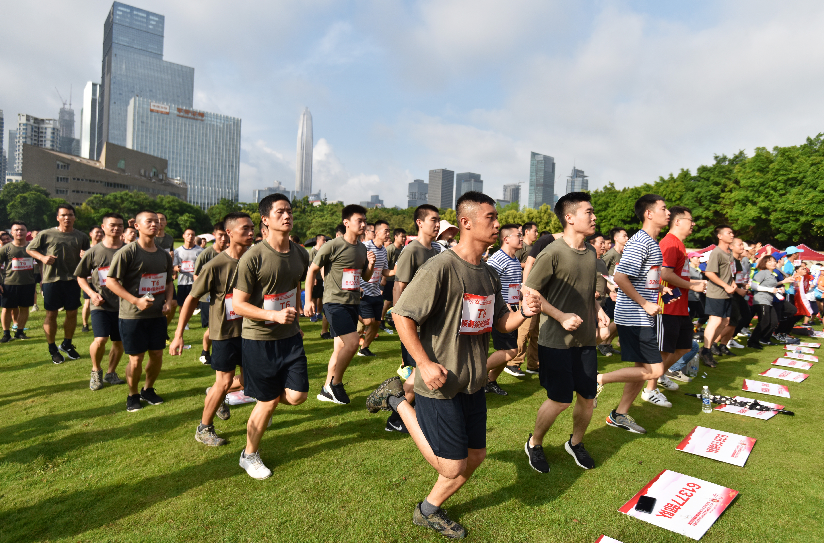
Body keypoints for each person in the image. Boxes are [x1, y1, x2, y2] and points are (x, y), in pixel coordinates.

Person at [365, 191, 540, 539]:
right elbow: (401, 316)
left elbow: (499, 322)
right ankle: (397, 400)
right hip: (439, 383)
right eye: (490, 217)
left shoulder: (489, 273)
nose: (498, 224)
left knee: (475, 456)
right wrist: (424, 364)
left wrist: (523, 312)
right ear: (466, 223)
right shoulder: (440, 267)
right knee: (451, 466)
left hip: (472, 382)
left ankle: (428, 510)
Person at [521, 192, 609, 473]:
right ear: (569, 217)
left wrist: (598, 309)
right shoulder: (553, 252)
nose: (594, 217)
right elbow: (529, 290)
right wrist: (559, 316)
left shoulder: (591, 252)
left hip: (586, 340)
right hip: (556, 341)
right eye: (588, 212)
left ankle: (576, 443)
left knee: (588, 397)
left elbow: (587, 291)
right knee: (559, 400)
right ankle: (534, 443)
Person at [232, 194, 310, 478]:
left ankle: (257, 393)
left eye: (289, 211)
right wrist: (273, 316)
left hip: (290, 337)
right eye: (280, 212)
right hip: (259, 339)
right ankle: (249, 454)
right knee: (268, 401)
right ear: (265, 220)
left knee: (298, 395)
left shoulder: (301, 253)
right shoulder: (253, 257)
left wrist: (296, 315)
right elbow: (238, 305)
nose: (287, 216)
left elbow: (294, 284)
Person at [170, 212, 255, 446]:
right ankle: (204, 428)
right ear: (229, 232)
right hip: (225, 332)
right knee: (224, 381)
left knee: (250, 380)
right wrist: (178, 334)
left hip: (250, 330)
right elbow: (191, 299)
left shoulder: (254, 260)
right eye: (245, 228)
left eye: (252, 228)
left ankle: (216, 393)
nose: (251, 232)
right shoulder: (216, 265)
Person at [596, 195, 670, 435]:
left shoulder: (651, 242)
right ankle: (597, 380)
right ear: (649, 213)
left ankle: (619, 414)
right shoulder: (640, 241)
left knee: (642, 367)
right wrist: (645, 303)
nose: (668, 213)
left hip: (641, 315)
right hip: (634, 316)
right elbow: (620, 277)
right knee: (655, 370)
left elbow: (642, 277)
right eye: (663, 208)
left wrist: (658, 289)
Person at [304, 205, 375, 404]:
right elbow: (312, 270)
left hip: (353, 303)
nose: (364, 224)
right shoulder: (333, 245)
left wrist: (370, 265)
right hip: (335, 303)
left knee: (340, 348)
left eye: (365, 221)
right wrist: (308, 300)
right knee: (352, 342)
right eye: (359, 221)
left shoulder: (362, 248)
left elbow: (365, 277)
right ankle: (336, 384)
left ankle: (326, 389)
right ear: (346, 223)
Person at [106, 210, 174, 412]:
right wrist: (136, 301)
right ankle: (133, 394)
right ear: (136, 226)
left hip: (157, 316)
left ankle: (148, 389)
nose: (154, 224)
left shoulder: (163, 254)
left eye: (157, 221)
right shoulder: (127, 252)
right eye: (149, 221)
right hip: (132, 316)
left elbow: (168, 282)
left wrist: (168, 301)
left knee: (157, 355)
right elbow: (111, 281)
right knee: (136, 360)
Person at [383, 204, 441, 433]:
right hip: (412, 322)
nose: (437, 225)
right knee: (417, 372)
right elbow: (399, 286)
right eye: (433, 220)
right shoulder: (411, 251)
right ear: (420, 222)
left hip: (429, 322)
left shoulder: (435, 251)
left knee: (423, 370)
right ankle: (396, 416)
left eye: (438, 220)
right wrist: (401, 321)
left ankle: (411, 412)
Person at [640, 206, 706, 408]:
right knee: (664, 351)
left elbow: (675, 274)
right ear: (677, 221)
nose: (693, 224)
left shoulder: (679, 244)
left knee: (684, 347)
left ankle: (660, 375)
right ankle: (649, 390)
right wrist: (693, 285)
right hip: (666, 307)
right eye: (690, 220)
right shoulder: (669, 243)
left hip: (680, 307)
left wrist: (692, 284)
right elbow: (665, 274)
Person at [27, 204, 90, 364]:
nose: (67, 218)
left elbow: (88, 256)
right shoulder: (46, 234)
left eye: (70, 215)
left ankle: (67, 343)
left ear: (74, 217)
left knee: (72, 313)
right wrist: (42, 258)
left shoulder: (81, 236)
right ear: (57, 218)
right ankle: (52, 348)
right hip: (52, 280)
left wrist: (85, 255)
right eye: (63, 215)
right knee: (51, 314)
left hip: (73, 280)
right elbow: (30, 249)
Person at [75, 214, 127, 390]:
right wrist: (91, 294)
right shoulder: (94, 251)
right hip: (101, 304)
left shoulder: (129, 250)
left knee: (119, 342)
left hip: (124, 305)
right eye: (112, 225)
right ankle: (95, 371)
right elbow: (81, 276)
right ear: (103, 227)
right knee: (101, 339)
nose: (116, 228)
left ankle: (111, 373)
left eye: (120, 225)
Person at [484, 223, 526, 394]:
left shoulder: (514, 259)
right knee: (511, 350)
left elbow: (512, 287)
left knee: (508, 350)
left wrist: (522, 296)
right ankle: (477, 374)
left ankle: (489, 381)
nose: (522, 238)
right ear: (506, 239)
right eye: (519, 235)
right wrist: (505, 305)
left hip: (512, 310)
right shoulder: (497, 259)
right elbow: (488, 284)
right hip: (500, 311)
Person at [699, 225, 742, 367]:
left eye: (732, 232)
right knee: (716, 321)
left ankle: (708, 347)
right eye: (729, 233)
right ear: (720, 236)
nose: (732, 235)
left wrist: (733, 283)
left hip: (727, 294)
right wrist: (725, 285)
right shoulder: (716, 252)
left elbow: (730, 272)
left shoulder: (729, 253)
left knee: (725, 322)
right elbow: (709, 273)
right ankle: (706, 351)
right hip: (716, 293)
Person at [193, 222, 229, 365]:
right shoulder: (206, 254)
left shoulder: (231, 252)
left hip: (227, 298)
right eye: (220, 235)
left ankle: (220, 353)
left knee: (224, 326)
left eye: (226, 235)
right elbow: (196, 276)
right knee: (213, 327)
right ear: (214, 235)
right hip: (208, 298)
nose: (223, 238)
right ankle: (205, 352)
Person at [358, 220, 394, 357]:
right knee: (369, 321)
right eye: (386, 231)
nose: (388, 233)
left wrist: (396, 271)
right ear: (377, 232)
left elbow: (384, 271)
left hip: (376, 292)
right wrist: (357, 288)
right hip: (363, 291)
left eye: (389, 231)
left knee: (377, 323)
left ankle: (364, 349)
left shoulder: (384, 250)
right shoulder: (365, 247)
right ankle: (351, 311)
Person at [0, 222, 36, 342]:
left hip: (28, 283)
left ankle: (19, 332)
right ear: (12, 232)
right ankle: (6, 334)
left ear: (27, 232)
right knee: (7, 308)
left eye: (22, 229)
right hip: (9, 283)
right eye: (16, 230)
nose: (19, 232)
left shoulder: (32, 247)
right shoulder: (6, 248)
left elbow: (41, 262)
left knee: (24, 308)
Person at [598, 227, 627, 356]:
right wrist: (609, 287)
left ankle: (607, 344)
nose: (627, 238)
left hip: (620, 291)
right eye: (624, 236)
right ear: (616, 238)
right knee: (620, 319)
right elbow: (599, 270)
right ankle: (601, 342)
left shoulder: (623, 254)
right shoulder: (610, 254)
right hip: (610, 293)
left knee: (622, 320)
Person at [172, 228, 203, 330]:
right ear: (183, 236)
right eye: (188, 234)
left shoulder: (200, 251)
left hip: (196, 282)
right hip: (183, 282)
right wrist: (177, 269)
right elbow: (174, 266)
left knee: (194, 304)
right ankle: (184, 324)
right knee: (182, 304)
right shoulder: (178, 251)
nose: (190, 236)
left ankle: (191, 320)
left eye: (192, 235)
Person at [749, 255, 782, 347]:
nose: (773, 263)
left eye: (774, 261)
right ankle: (752, 342)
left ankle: (764, 339)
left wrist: (779, 289)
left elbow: (771, 287)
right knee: (764, 322)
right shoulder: (762, 273)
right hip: (761, 300)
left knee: (774, 322)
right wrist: (770, 290)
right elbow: (753, 285)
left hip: (769, 301)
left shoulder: (772, 274)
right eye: (769, 261)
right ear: (764, 263)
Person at [381, 228, 407, 331]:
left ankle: (394, 320)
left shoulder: (404, 249)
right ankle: (381, 319)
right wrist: (384, 279)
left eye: (405, 236)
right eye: (402, 236)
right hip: (389, 279)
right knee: (388, 301)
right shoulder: (390, 249)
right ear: (395, 237)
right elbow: (385, 265)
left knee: (398, 301)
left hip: (399, 278)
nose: (404, 238)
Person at [81, 226, 104, 333]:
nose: (99, 234)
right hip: (89, 280)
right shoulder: (85, 250)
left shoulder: (105, 248)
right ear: (90, 234)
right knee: (87, 303)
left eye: (101, 232)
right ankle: (85, 324)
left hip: (102, 281)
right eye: (97, 232)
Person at [307, 235, 326, 322]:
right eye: (323, 240)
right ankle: (313, 314)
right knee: (314, 297)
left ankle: (319, 313)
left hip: (322, 277)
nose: (325, 242)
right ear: (318, 241)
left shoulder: (323, 250)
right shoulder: (313, 251)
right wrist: (313, 278)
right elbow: (310, 265)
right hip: (315, 278)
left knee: (320, 296)